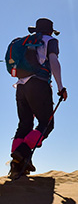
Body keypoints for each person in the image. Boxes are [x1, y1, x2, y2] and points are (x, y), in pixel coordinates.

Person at [9, 18, 68, 179]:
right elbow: (54, 61)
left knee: (24, 124)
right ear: (50, 31)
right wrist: (60, 87)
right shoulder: (50, 40)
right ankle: (22, 153)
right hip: (39, 84)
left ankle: (17, 164)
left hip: (20, 87)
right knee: (46, 123)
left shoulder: (25, 42)